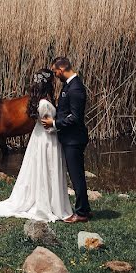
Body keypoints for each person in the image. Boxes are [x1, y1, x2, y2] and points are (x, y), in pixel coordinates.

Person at [0, 69, 73, 222]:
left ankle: (47, 200)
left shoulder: (37, 101)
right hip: (47, 140)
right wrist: (60, 124)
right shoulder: (45, 103)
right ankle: (50, 204)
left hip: (39, 138)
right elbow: (49, 126)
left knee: (40, 169)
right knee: (47, 168)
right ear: (48, 85)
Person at [41, 56, 90, 222]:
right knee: (77, 175)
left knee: (76, 176)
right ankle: (85, 209)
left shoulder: (75, 88)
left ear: (61, 69)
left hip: (74, 139)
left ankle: (81, 213)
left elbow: (75, 117)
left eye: (55, 72)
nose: (55, 75)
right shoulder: (68, 86)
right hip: (70, 138)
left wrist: (53, 122)